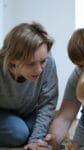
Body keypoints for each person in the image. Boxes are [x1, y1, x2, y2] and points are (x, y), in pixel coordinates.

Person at [0, 22, 58, 150]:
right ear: (12, 60)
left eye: (43, 61)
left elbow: (48, 103)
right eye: (30, 64)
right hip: (3, 113)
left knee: (52, 129)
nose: (39, 70)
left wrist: (36, 141)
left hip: (29, 112)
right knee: (19, 133)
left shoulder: (49, 60)